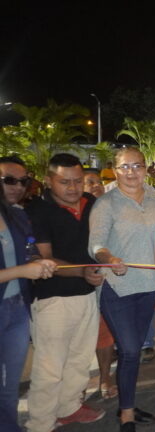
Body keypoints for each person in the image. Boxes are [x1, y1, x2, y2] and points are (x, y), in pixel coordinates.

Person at [24, 153, 107, 432]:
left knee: (80, 358)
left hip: (86, 294)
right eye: (64, 182)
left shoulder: (92, 203)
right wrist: (83, 270)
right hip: (53, 299)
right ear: (49, 180)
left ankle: (69, 407)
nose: (73, 188)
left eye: (78, 181)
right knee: (49, 367)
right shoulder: (38, 210)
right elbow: (44, 259)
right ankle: (41, 423)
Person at [89, 147, 155, 432]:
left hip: (148, 288)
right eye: (124, 167)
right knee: (131, 350)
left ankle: (127, 404)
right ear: (115, 170)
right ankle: (127, 416)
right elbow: (96, 245)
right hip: (117, 288)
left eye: (137, 166)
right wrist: (109, 259)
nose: (131, 172)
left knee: (134, 351)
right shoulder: (106, 203)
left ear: (146, 168)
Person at [0, 182, 57, 432]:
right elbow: (20, 266)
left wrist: (38, 263)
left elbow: (28, 251)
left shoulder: (15, 213)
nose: (18, 186)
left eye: (23, 181)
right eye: (9, 179)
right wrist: (23, 270)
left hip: (17, 307)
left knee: (10, 384)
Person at [82, 167, 119, 400]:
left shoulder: (110, 207)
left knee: (104, 336)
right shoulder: (78, 212)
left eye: (98, 181)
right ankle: (77, 388)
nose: (95, 185)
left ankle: (105, 378)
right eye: (89, 182)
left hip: (105, 280)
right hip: (75, 284)